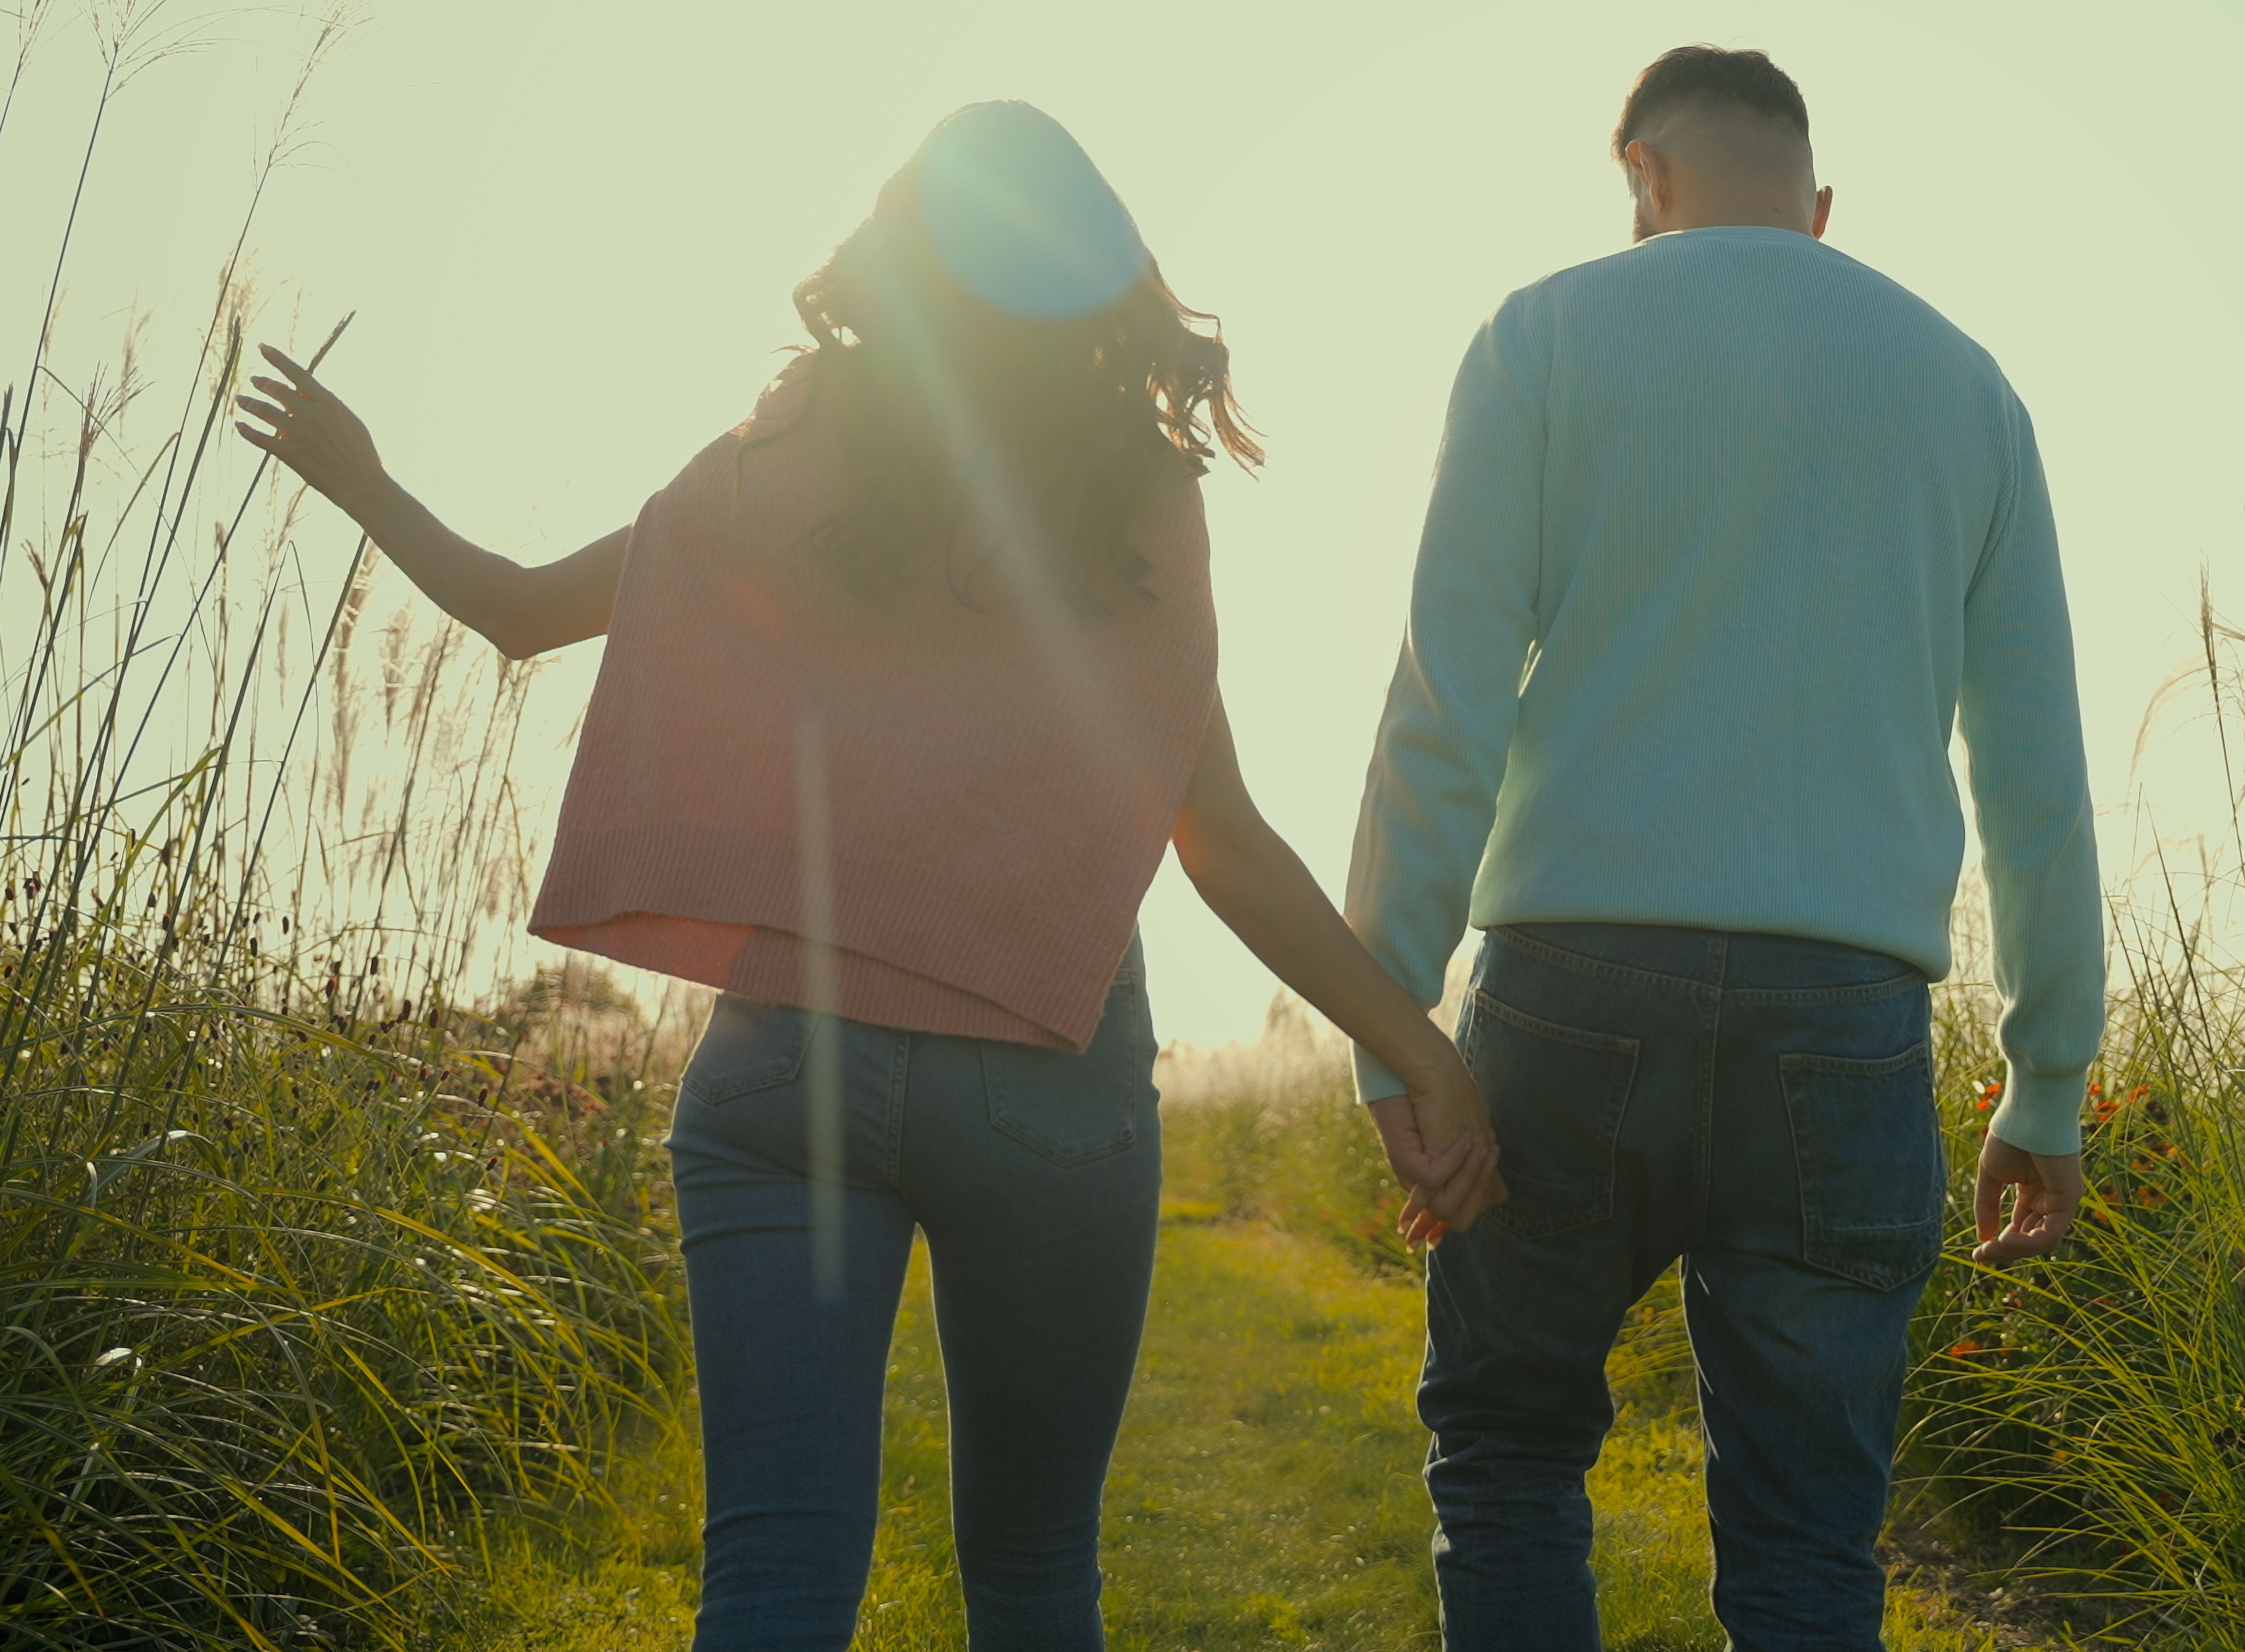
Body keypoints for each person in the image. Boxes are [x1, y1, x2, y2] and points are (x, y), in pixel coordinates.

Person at [237, 102, 1504, 1651]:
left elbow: (510, 609)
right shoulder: (1130, 502)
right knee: (1035, 1577)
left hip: (786, 1069)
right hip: (1047, 1080)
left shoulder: (786, 464)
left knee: (772, 1579)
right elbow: (1217, 835)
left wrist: (360, 476)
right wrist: (1417, 1043)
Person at [1345, 46, 2106, 1651]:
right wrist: (2046, 1083)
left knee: (1506, 1456)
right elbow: (2037, 777)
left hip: (1568, 996)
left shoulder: (1544, 335)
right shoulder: (1966, 387)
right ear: (1818, 207)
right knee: (1811, 1539)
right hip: (1841, 1023)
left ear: (1640, 172)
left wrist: (1391, 1027)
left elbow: (1444, 712)